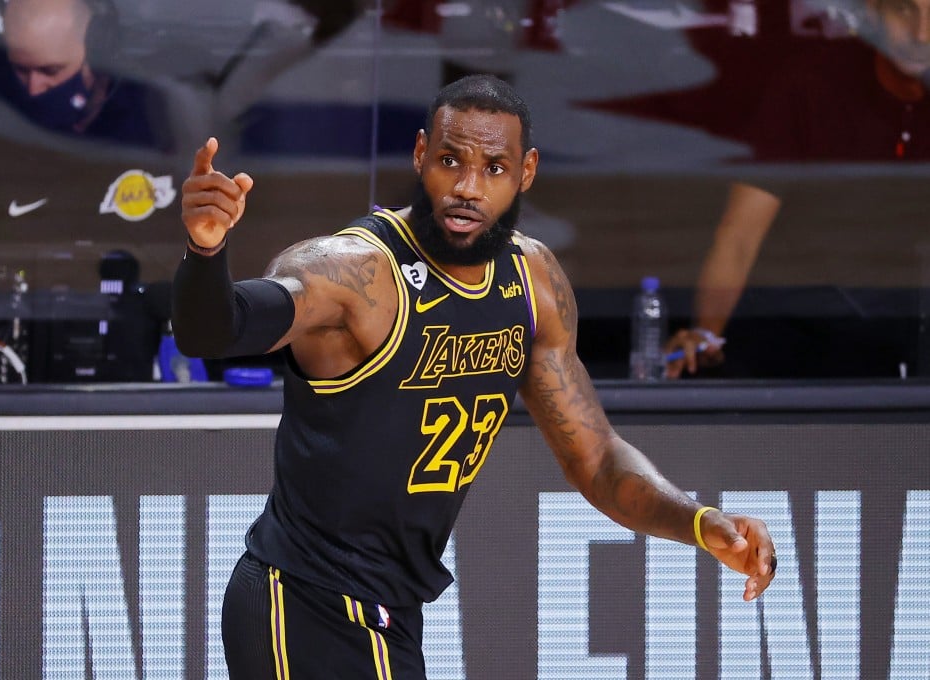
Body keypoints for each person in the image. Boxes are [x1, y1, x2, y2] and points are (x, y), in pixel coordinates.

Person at [172, 74, 777, 678]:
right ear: (418, 155)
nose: (467, 187)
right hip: (303, 599)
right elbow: (215, 331)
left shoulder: (530, 280)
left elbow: (596, 459)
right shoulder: (354, 271)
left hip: (390, 610)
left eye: (493, 168)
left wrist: (701, 522)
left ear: (526, 172)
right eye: (449, 160)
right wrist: (206, 253)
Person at [664, 0, 930, 378]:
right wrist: (708, 333)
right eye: (904, 11)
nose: (922, 34)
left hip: (907, 338)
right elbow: (739, 236)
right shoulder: (814, 84)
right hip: (798, 338)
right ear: (872, 12)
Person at [0, 0, 171, 149]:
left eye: (50, 71)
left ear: (97, 51)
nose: (34, 88)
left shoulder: (154, 120)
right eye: (21, 69)